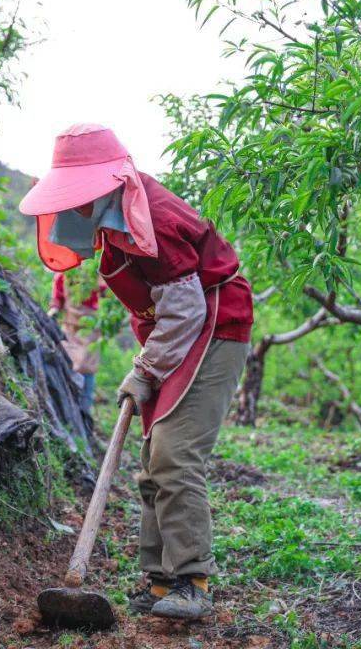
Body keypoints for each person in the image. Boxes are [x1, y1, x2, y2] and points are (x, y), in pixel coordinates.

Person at [19, 123, 253, 621]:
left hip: (214, 325)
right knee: (153, 456)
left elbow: (187, 310)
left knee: (174, 453)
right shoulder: (118, 227)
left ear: (107, 184)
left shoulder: (157, 220)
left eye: (78, 196)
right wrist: (148, 366)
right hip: (178, 333)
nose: (72, 209)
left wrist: (146, 369)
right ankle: (160, 580)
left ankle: (192, 581)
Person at [48, 270, 106, 414]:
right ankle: (68, 408)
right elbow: (56, 301)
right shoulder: (63, 276)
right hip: (70, 329)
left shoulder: (96, 275)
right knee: (69, 366)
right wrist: (52, 312)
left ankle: (84, 411)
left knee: (87, 369)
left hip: (90, 331)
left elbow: (107, 296)